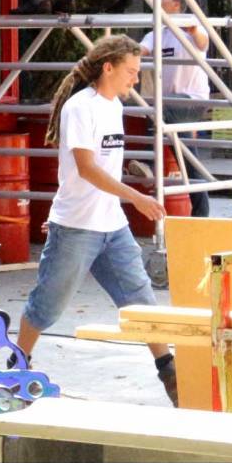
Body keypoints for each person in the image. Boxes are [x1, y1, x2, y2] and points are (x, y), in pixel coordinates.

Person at [18, 35, 178, 404]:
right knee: (48, 305)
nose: (135, 79)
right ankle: (16, 364)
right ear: (108, 68)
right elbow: (86, 169)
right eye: (131, 71)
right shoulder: (80, 107)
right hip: (76, 226)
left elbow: (102, 167)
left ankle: (169, 372)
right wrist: (136, 197)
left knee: (140, 298)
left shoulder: (114, 106)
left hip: (112, 225)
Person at [138, 0, 212, 218]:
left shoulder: (191, 26)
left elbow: (203, 43)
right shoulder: (157, 32)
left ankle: (148, 163)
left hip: (192, 100)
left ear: (176, 4)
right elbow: (140, 50)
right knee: (187, 158)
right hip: (170, 106)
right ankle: (201, 215)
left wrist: (193, 30)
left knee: (157, 107)